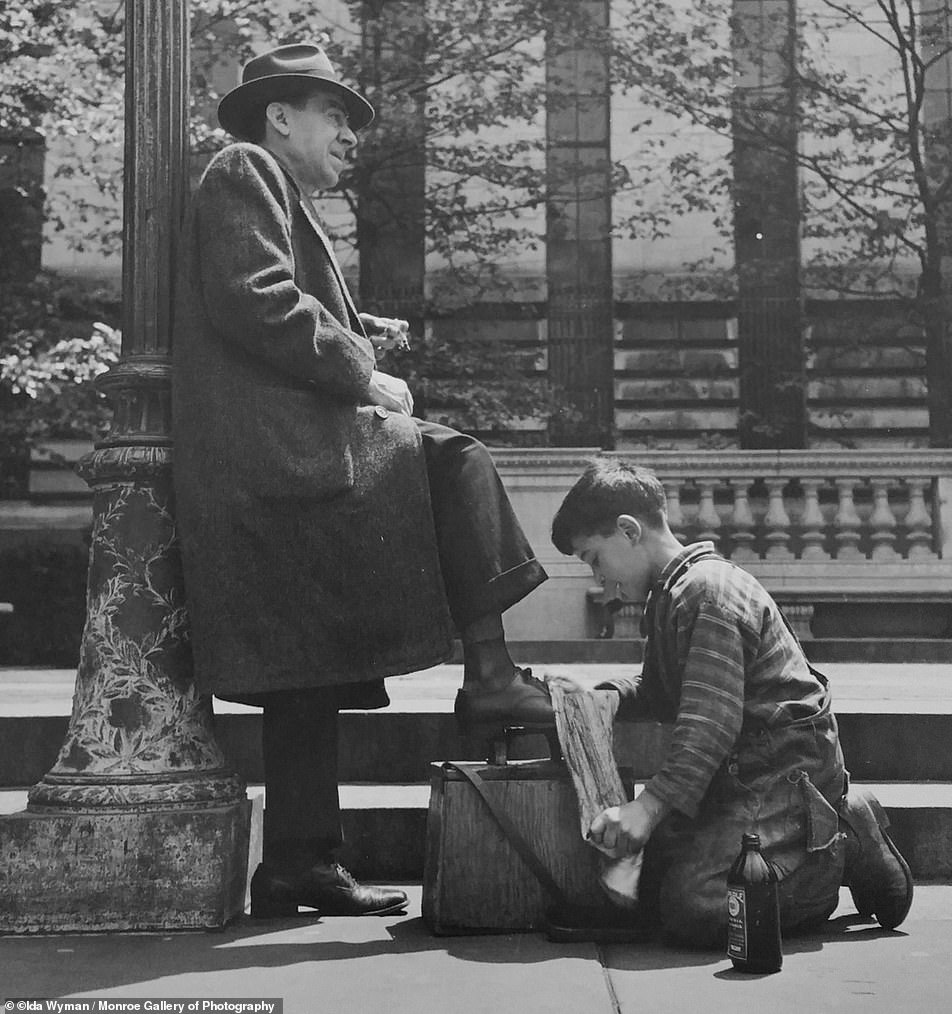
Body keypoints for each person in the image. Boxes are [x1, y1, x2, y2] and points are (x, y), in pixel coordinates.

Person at [172, 42, 554, 919]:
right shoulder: (246, 168)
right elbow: (254, 297)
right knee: (454, 456)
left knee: (307, 668)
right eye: (335, 114)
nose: (349, 133)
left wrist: (361, 326)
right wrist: (363, 370)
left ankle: (301, 863)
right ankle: (489, 672)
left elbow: (270, 294)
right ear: (280, 114)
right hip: (280, 457)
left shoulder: (275, 187)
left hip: (277, 461)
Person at [549, 459, 913, 947]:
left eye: (594, 558)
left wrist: (648, 808)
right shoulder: (672, 595)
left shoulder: (708, 594)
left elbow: (711, 724)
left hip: (782, 774)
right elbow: (665, 692)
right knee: (650, 881)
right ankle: (817, 835)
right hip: (737, 774)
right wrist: (605, 694)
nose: (600, 580)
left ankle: (839, 841)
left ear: (628, 530)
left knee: (694, 906)